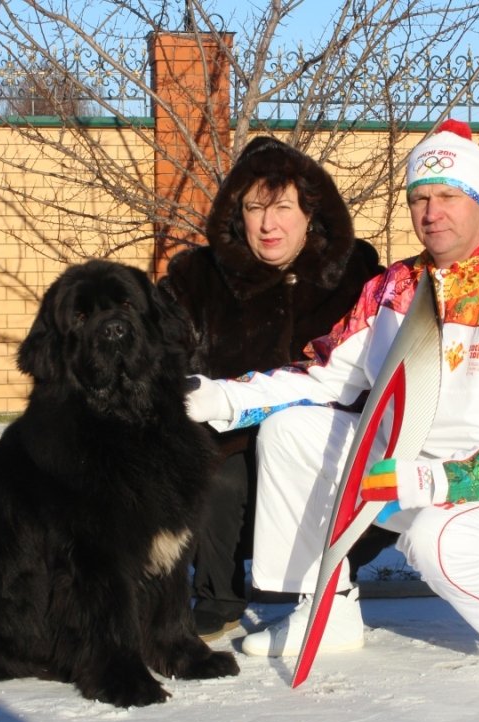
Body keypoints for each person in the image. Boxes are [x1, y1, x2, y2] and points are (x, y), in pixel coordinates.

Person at [185, 119, 479, 665]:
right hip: (408, 468)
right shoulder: (393, 290)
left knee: (435, 540)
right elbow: (325, 375)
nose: (432, 213)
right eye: (420, 198)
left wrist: (442, 479)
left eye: (448, 196)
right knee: (292, 431)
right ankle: (325, 607)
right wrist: (221, 398)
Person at [159, 136, 388, 640]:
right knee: (220, 477)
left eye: (282, 207)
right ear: (235, 214)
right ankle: (218, 597)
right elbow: (162, 356)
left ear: (310, 211)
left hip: (329, 427)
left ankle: (324, 587)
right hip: (228, 433)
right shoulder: (196, 277)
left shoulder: (355, 275)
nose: (268, 224)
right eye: (253, 207)